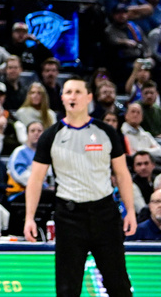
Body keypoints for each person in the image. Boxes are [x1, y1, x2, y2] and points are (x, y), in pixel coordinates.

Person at [23, 79, 136, 297]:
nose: (72, 96)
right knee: (67, 289)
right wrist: (29, 217)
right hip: (69, 218)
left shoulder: (107, 132)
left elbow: (122, 174)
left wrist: (130, 211)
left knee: (119, 285)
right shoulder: (51, 135)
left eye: (77, 92)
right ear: (62, 98)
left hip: (105, 215)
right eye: (68, 92)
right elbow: (36, 179)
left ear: (88, 97)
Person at [7, 120, 47, 192]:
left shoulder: (47, 153)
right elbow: (19, 175)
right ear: (27, 134)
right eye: (32, 131)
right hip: (21, 192)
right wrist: (42, 185)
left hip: (45, 191)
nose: (36, 133)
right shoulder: (19, 152)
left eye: (39, 131)